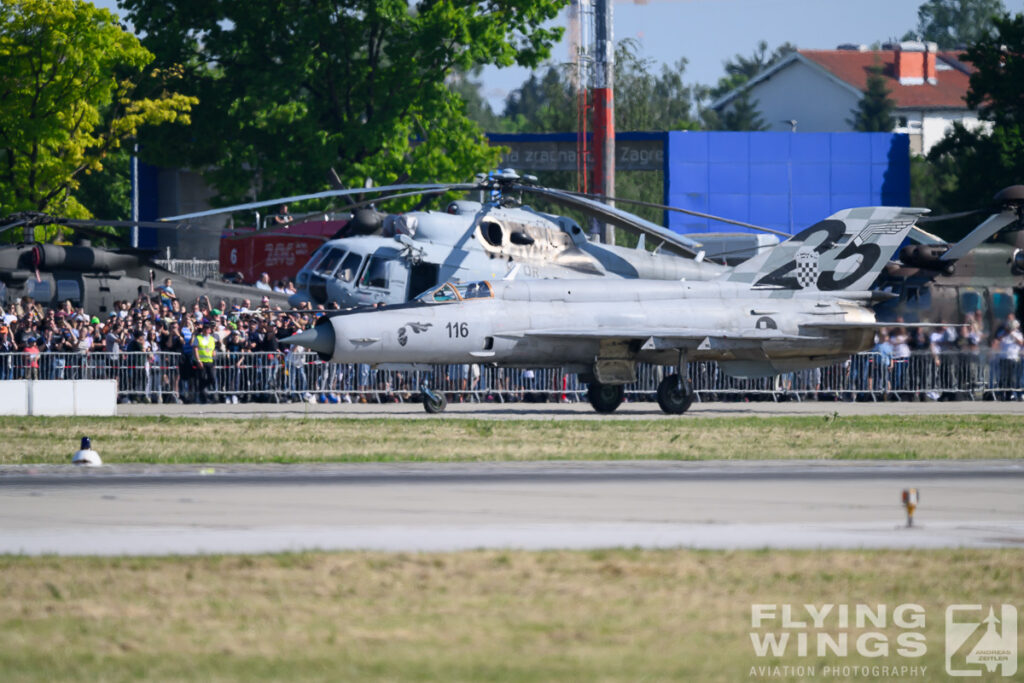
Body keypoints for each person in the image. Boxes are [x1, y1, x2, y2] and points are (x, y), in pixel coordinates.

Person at [193, 321, 218, 404]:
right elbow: (195, 349)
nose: (206, 330)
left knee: (212, 378)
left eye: (208, 329)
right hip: (202, 361)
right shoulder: (198, 337)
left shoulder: (211, 338)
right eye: (205, 328)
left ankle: (204, 391)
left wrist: (214, 353)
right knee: (202, 379)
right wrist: (198, 360)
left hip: (210, 361)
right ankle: (204, 398)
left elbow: (212, 348)